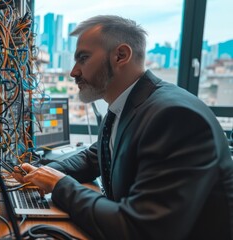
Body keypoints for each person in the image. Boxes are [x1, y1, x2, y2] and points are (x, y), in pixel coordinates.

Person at [13, 15, 233, 240]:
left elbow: (140, 229)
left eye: (83, 58)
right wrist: (42, 171)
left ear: (121, 55)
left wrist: (60, 186)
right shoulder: (130, 103)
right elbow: (96, 156)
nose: (74, 72)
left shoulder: (174, 117)